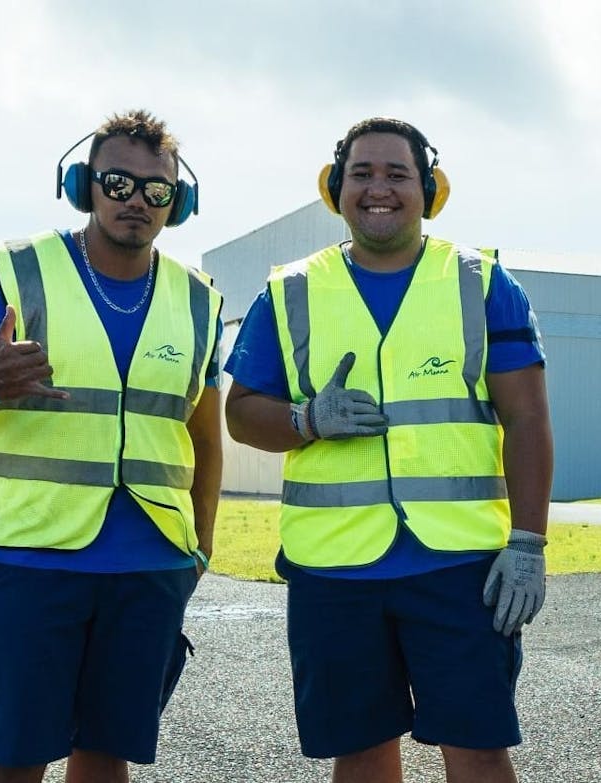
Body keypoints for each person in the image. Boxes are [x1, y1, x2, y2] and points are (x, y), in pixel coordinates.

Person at [219, 117, 554, 783]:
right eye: (362, 173)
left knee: (480, 748)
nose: (379, 188)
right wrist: (306, 418)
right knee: (363, 751)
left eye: (397, 174)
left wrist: (528, 543)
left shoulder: (483, 283)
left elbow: (527, 417)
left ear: (429, 189)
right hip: (334, 569)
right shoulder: (289, 292)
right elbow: (241, 415)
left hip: (459, 568)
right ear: (335, 189)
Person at [0, 110, 224, 783]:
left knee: (107, 753)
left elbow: (204, 434)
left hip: (150, 560)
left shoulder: (198, 300)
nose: (136, 201)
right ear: (83, 184)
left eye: (157, 190)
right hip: (32, 556)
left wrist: (200, 546)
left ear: (179, 203)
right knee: (16, 755)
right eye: (117, 182)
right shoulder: (18, 271)